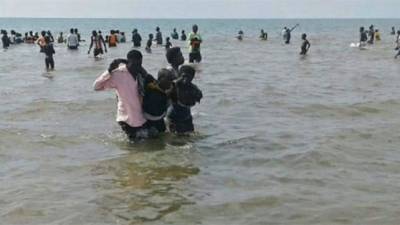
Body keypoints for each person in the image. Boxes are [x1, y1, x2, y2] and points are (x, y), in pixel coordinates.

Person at [93, 50, 150, 141]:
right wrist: (109, 70)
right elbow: (96, 86)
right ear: (129, 62)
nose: (137, 68)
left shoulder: (140, 74)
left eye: (140, 65)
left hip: (140, 118)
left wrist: (140, 69)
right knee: (135, 147)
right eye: (135, 65)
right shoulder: (118, 74)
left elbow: (152, 81)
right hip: (126, 118)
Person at [167, 65, 203, 134]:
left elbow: (199, 96)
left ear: (192, 78)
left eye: (189, 77)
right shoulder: (176, 85)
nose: (186, 79)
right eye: (184, 76)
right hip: (173, 116)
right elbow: (169, 87)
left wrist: (196, 96)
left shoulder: (192, 88)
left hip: (187, 116)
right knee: (174, 136)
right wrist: (179, 80)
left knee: (189, 135)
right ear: (179, 75)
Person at [142, 69, 175, 133]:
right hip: (147, 120)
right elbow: (143, 72)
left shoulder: (170, 90)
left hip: (160, 120)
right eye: (168, 79)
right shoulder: (151, 87)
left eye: (171, 79)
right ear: (160, 78)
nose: (170, 82)